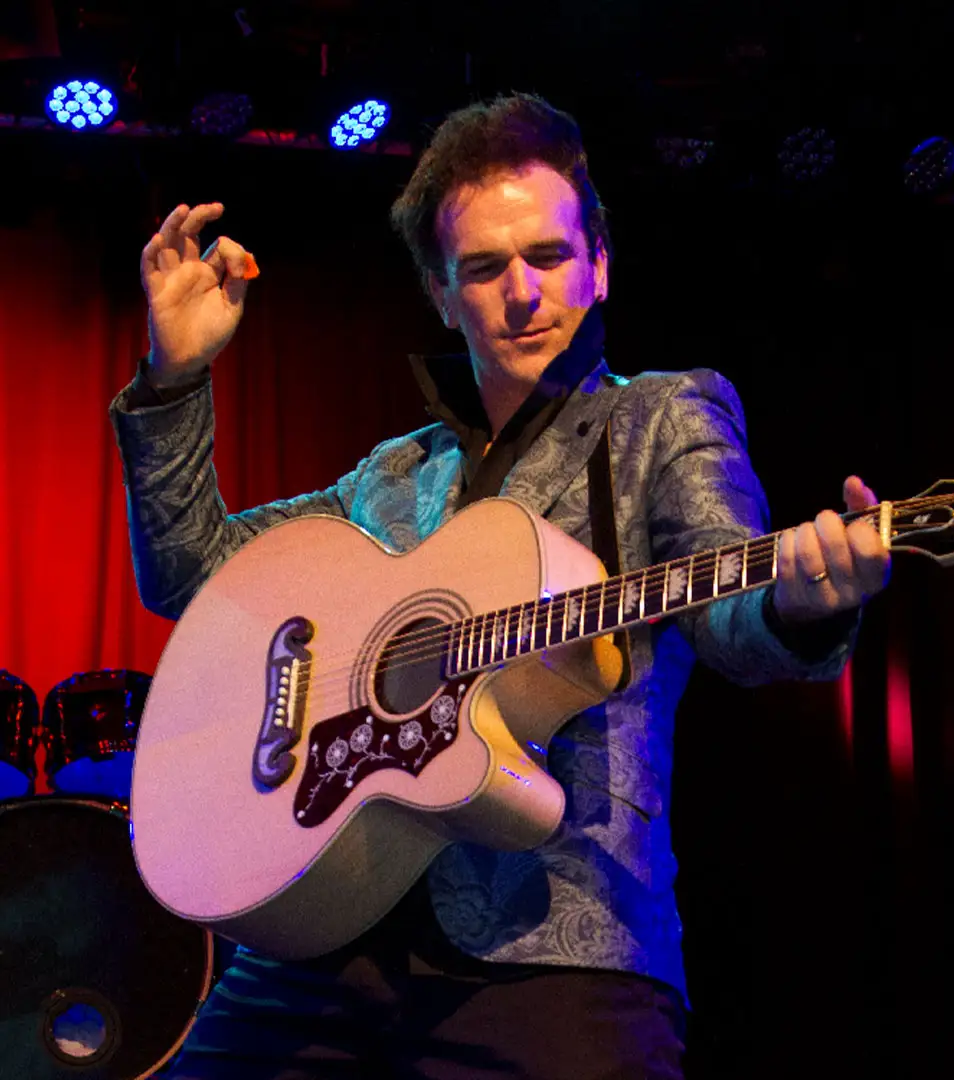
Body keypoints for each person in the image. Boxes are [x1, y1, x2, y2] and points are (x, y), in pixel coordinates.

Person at [110, 94, 889, 1079]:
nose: (523, 293)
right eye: (484, 268)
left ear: (599, 263)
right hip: (322, 935)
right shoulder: (392, 476)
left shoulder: (660, 419)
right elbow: (193, 577)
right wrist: (175, 382)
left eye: (549, 258)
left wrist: (800, 603)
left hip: (553, 943)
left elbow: (732, 611)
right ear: (441, 292)